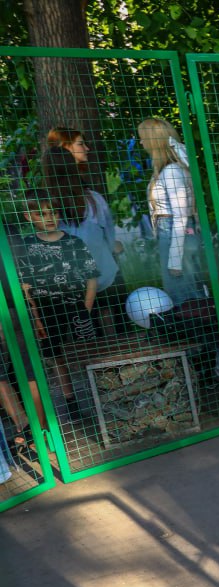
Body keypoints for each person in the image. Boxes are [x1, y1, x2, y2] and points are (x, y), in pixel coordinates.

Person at [15, 192, 100, 418]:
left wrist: (85, 309)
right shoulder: (26, 246)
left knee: (86, 353)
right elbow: (25, 288)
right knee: (57, 357)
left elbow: (92, 276)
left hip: (76, 306)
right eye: (41, 214)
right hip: (46, 310)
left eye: (52, 212)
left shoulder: (74, 243)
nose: (49, 218)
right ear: (28, 216)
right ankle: (71, 401)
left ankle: (100, 395)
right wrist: (36, 318)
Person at [42, 145, 127, 335]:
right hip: (106, 272)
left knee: (87, 329)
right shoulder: (94, 199)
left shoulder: (47, 206)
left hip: (74, 281)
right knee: (121, 321)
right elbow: (110, 235)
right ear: (72, 166)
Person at [138, 118, 204, 307]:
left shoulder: (171, 171)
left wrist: (175, 258)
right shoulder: (172, 168)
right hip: (178, 234)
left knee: (183, 296)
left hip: (175, 235)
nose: (141, 142)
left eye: (143, 137)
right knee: (190, 293)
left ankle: (194, 325)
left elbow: (180, 215)